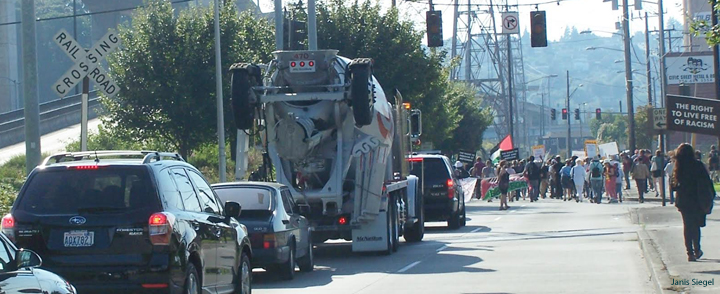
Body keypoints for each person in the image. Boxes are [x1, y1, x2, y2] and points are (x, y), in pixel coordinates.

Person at [671, 143, 716, 261]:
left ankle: (689, 252)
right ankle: (697, 249)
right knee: (695, 226)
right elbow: (707, 182)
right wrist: (711, 196)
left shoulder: (678, 167)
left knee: (687, 225)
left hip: (683, 201)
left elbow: (673, 185)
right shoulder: (698, 165)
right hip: (697, 199)